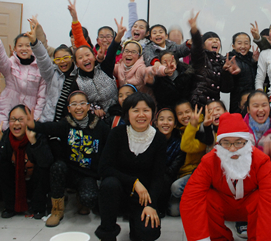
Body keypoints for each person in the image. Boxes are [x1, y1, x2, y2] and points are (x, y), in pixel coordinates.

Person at [180, 113, 271, 241]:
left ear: (247, 142)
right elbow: (191, 197)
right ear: (219, 143)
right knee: (205, 198)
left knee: (265, 198)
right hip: (221, 205)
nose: (232, 149)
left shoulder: (261, 160)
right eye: (226, 143)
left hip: (251, 205)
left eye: (238, 142)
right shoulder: (209, 161)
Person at [26, 90, 110, 227]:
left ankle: (81, 199)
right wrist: (33, 125)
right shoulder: (65, 124)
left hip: (87, 175)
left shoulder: (100, 126)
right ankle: (57, 210)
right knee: (57, 167)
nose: (78, 107)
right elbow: (49, 127)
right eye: (74, 104)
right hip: (68, 172)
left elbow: (110, 147)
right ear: (69, 109)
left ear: (88, 107)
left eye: (82, 103)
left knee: (89, 199)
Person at [95, 93, 166, 241]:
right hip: (117, 193)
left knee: (148, 232)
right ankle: (108, 233)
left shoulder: (159, 138)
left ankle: (136, 228)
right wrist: (134, 182)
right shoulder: (117, 134)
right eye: (135, 110)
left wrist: (151, 205)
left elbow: (158, 177)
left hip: (143, 197)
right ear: (127, 113)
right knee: (109, 184)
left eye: (146, 110)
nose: (141, 115)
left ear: (152, 113)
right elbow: (104, 168)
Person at [0, 105, 53, 219]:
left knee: (42, 169)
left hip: (35, 184)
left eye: (20, 119)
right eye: (13, 119)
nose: (16, 123)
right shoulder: (5, 136)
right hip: (14, 183)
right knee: (0, 167)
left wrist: (34, 142)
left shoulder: (38, 134)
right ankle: (10, 207)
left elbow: (46, 163)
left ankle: (38, 207)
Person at [0, 20, 46, 129]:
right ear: (15, 48)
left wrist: (35, 117)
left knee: (24, 135)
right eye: (20, 45)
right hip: (7, 107)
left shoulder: (40, 68)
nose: (24, 48)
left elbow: (42, 97)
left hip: (29, 110)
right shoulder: (11, 63)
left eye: (28, 45)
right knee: (3, 134)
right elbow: (0, 59)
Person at [72, 16, 126, 117]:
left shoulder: (104, 68)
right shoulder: (76, 82)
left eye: (87, 55)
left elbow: (111, 53)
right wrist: (93, 110)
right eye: (80, 57)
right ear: (76, 64)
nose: (85, 59)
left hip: (116, 113)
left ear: (94, 57)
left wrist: (118, 37)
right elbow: (78, 103)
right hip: (94, 118)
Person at [27, 18, 78, 123]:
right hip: (50, 121)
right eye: (58, 59)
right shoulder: (52, 74)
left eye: (65, 58)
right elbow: (42, 58)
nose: (62, 61)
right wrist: (35, 43)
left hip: (71, 123)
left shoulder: (79, 74)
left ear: (72, 58)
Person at [188, 11, 241, 108]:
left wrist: (226, 71)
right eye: (210, 39)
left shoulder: (223, 61)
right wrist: (195, 31)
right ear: (203, 45)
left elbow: (226, 89)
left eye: (217, 39)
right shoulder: (200, 57)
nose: (215, 41)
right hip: (198, 103)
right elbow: (197, 46)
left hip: (214, 105)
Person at [153, 107, 185, 218]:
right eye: (162, 119)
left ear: (175, 124)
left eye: (170, 119)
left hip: (167, 181)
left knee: (164, 178)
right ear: (156, 123)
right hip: (150, 177)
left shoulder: (179, 144)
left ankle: (160, 206)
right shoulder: (149, 139)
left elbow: (172, 171)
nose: (165, 123)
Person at [228, 32, 258, 114]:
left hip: (253, 97)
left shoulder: (253, 57)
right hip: (238, 100)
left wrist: (255, 62)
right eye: (239, 43)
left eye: (246, 43)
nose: (243, 46)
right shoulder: (230, 59)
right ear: (233, 46)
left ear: (250, 46)